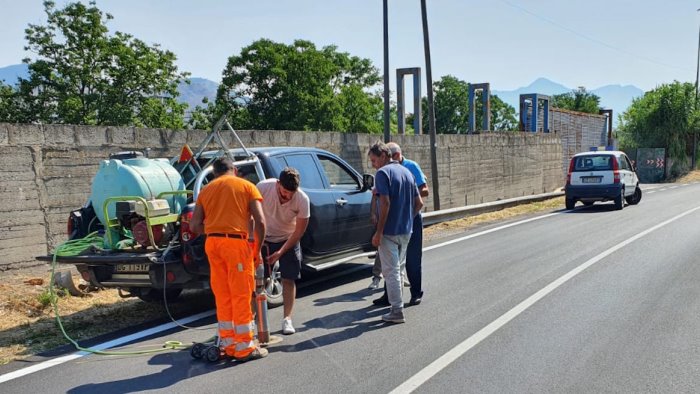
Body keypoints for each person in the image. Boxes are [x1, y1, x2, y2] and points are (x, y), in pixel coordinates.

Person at [190, 157, 268, 362]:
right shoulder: (246, 186)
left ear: (215, 173)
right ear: (234, 169)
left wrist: (215, 229)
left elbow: (194, 226)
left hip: (213, 244)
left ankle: (229, 343)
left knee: (223, 294)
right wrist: (257, 249)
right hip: (236, 244)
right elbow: (260, 221)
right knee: (241, 293)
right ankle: (244, 348)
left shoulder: (206, 190)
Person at [368, 141, 423, 323]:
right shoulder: (407, 171)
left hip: (389, 232)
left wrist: (379, 232)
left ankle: (397, 310)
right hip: (406, 230)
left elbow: (385, 203)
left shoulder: (383, 174)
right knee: (398, 269)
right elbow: (419, 203)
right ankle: (396, 307)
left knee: (390, 272)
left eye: (374, 160)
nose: (373, 165)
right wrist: (408, 218)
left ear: (383, 156)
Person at [256, 167, 310, 335]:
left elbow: (299, 231)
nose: (287, 196)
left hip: (288, 238)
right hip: (264, 237)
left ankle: (287, 319)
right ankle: (252, 319)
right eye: (284, 192)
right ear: (277, 184)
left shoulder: (302, 199)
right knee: (259, 280)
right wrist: (256, 245)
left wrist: (281, 252)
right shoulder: (263, 187)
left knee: (289, 278)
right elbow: (250, 216)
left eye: (290, 194)